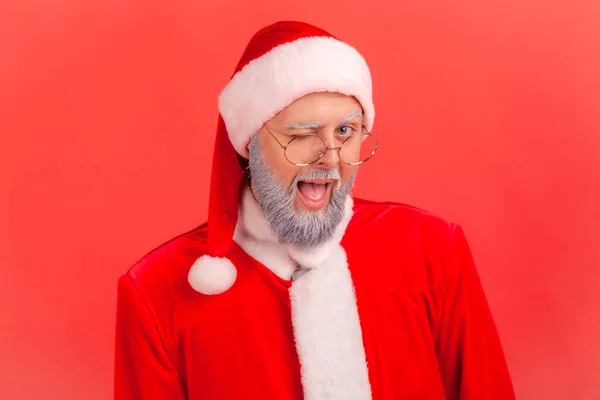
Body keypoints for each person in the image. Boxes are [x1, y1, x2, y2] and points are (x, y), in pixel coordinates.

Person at [114, 20, 515, 400]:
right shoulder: (158, 292)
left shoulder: (431, 250)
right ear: (249, 144)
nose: (331, 157)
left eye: (345, 131)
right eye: (302, 135)